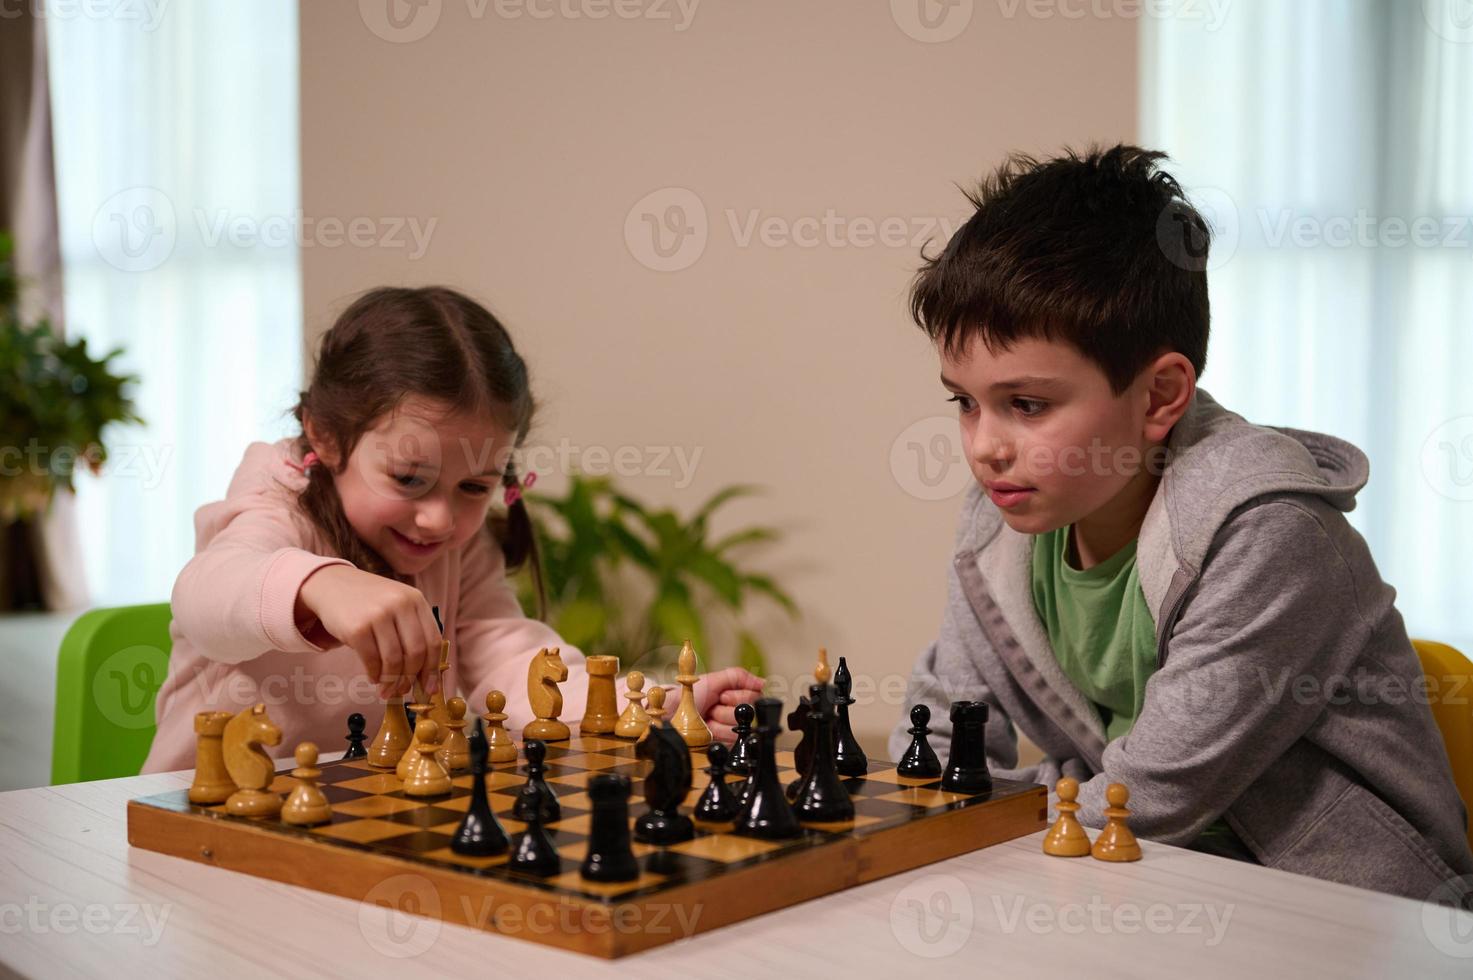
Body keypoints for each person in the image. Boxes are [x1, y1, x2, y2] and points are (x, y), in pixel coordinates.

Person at [887, 145, 1473, 902]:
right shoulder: (1001, 524)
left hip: (1348, 912)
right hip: (1146, 889)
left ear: (1160, 396)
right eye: (963, 402)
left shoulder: (1268, 534)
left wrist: (1010, 794)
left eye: (1025, 405)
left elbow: (1153, 796)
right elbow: (933, 748)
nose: (985, 446)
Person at [144, 286, 761, 772]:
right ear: (327, 437)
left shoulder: (459, 551)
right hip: (202, 817)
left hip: (355, 817)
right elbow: (206, 593)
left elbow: (516, 666)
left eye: (474, 488)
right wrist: (322, 586)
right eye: (409, 479)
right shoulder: (278, 505)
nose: (440, 519)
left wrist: (653, 705)